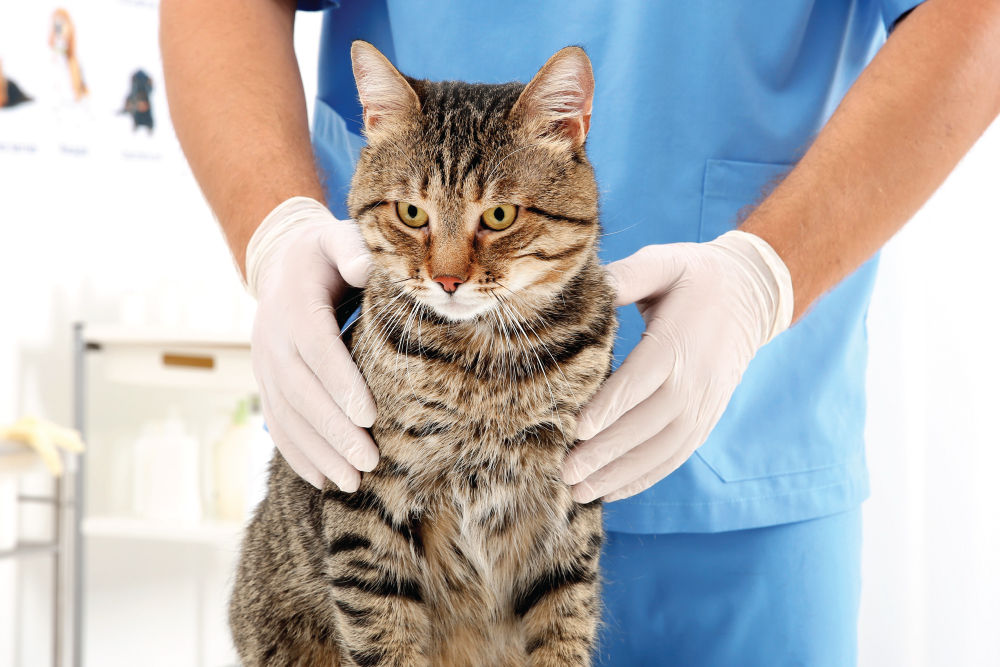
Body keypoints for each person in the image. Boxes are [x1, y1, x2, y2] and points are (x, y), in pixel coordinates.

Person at [161, 1, 1000, 664]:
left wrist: (765, 276)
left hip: (749, 462)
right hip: (392, 452)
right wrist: (273, 231)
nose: (452, 265)